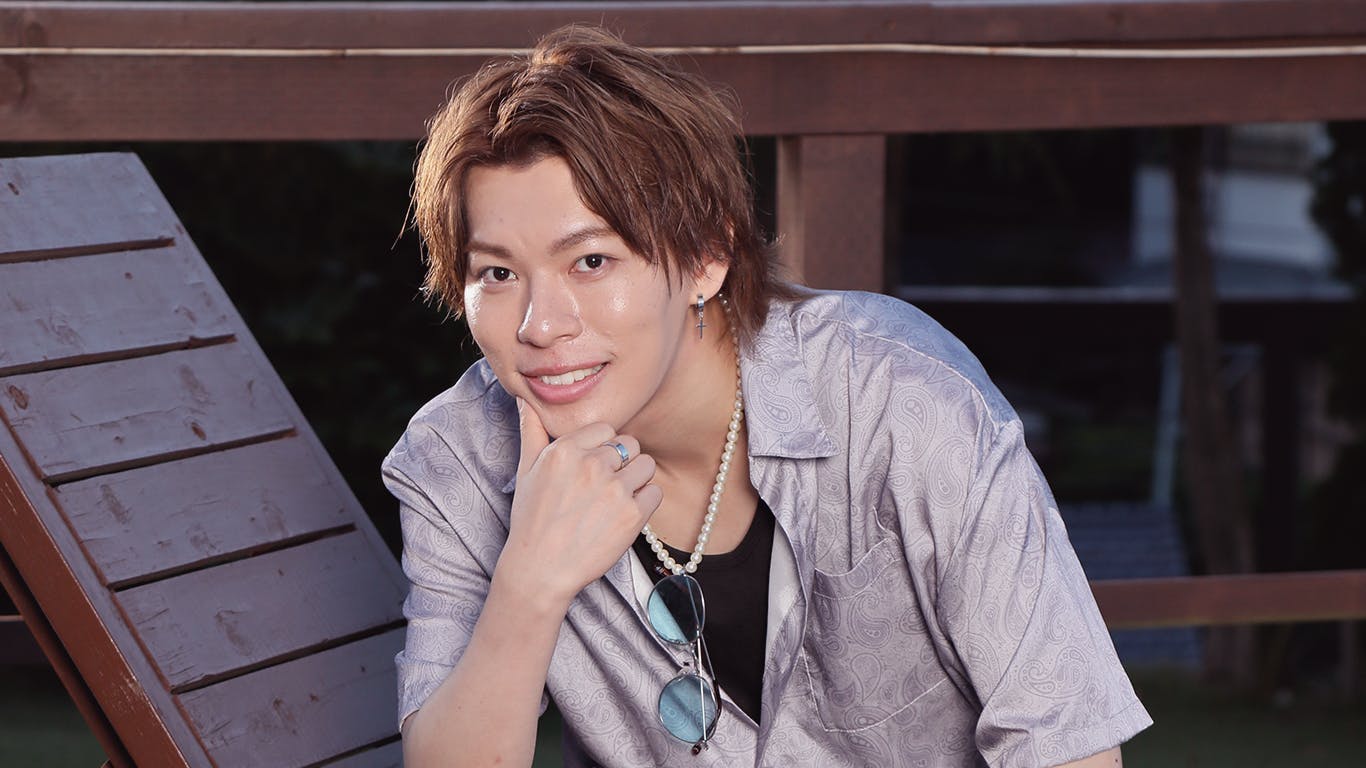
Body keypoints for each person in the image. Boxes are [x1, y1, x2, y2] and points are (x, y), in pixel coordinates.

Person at [385, 24, 1152, 768]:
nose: (540, 325)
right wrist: (529, 584)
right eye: (497, 273)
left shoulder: (899, 401)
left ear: (706, 257)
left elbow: (1069, 748)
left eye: (591, 261)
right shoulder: (457, 460)